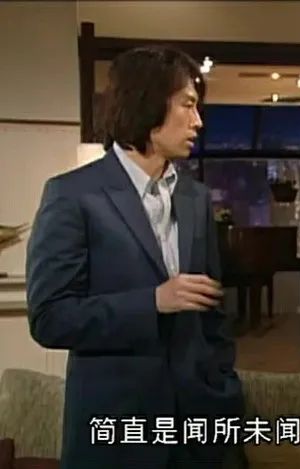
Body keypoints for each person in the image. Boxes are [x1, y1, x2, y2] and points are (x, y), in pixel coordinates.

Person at [26, 46, 244, 469]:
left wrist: (224, 390)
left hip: (199, 431)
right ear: (148, 101)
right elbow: (50, 317)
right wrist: (153, 302)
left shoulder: (195, 197)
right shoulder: (73, 195)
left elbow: (213, 316)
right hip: (116, 430)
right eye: (188, 105)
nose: (198, 121)